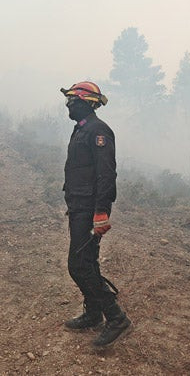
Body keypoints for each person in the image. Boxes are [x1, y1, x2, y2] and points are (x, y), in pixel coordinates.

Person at [60, 81, 131, 347]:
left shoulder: (99, 131)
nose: (68, 106)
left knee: (78, 265)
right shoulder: (80, 130)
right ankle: (93, 313)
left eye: (73, 101)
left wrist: (101, 211)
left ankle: (116, 318)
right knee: (87, 261)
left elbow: (106, 174)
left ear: (86, 103)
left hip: (90, 210)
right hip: (79, 206)